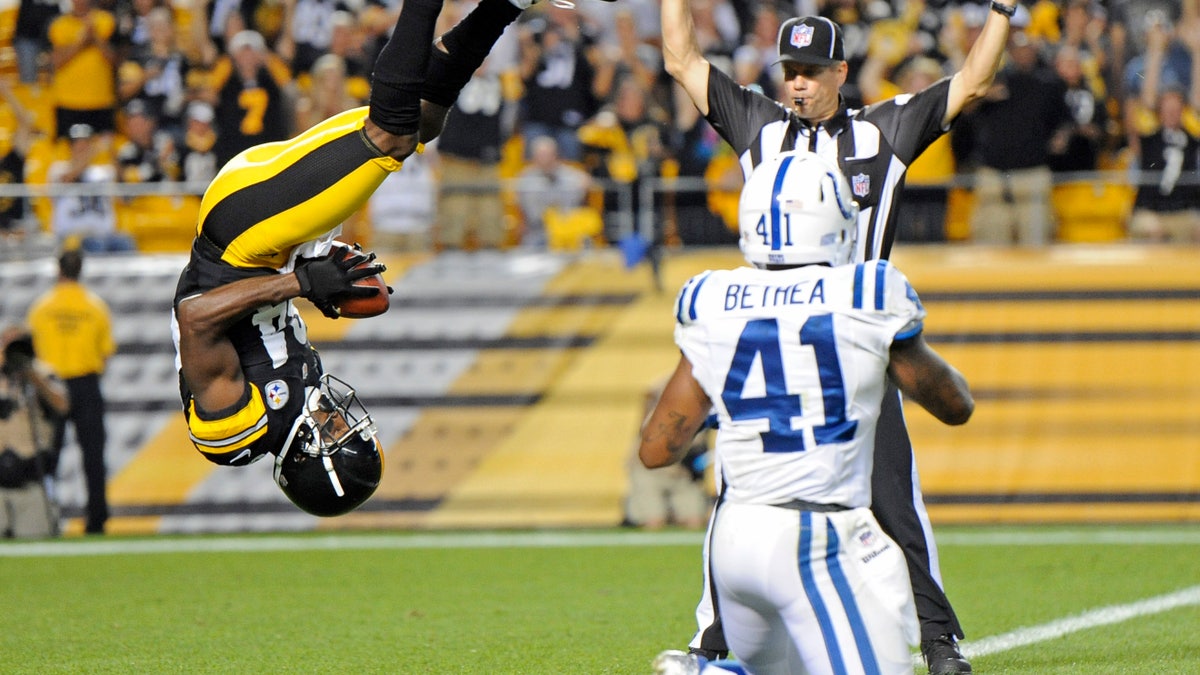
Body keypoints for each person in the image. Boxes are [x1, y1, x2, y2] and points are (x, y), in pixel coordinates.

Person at [660, 0, 1015, 671]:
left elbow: (970, 80)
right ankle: (713, 640)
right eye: (790, 69)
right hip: (775, 339)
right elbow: (681, 58)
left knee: (892, 495)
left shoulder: (884, 130)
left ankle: (939, 639)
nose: (798, 82)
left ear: (841, 72)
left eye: (812, 70)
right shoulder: (759, 124)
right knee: (744, 490)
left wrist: (1000, 10)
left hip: (853, 345)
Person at [171, 0, 567, 517]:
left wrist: (302, 285)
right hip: (272, 235)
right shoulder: (300, 393)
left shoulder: (236, 431)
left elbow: (195, 317)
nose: (340, 416)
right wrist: (322, 280)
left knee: (391, 136)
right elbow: (261, 326)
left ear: (311, 456)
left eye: (336, 431)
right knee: (422, 121)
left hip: (242, 236)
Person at [641, 151, 974, 675]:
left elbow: (656, 450)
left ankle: (710, 669)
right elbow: (955, 407)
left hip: (735, 545)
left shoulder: (713, 296)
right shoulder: (867, 291)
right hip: (814, 535)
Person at [27, 249, 115, 534]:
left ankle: (44, 517)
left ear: (59, 270)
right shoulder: (95, 306)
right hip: (85, 383)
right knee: (93, 456)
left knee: (47, 456)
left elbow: (33, 353)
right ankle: (97, 520)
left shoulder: (41, 307)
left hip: (50, 386)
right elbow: (104, 354)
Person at [0, 327, 71, 539]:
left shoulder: (44, 373)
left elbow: (62, 405)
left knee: (36, 545)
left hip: (31, 480)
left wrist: (31, 374)